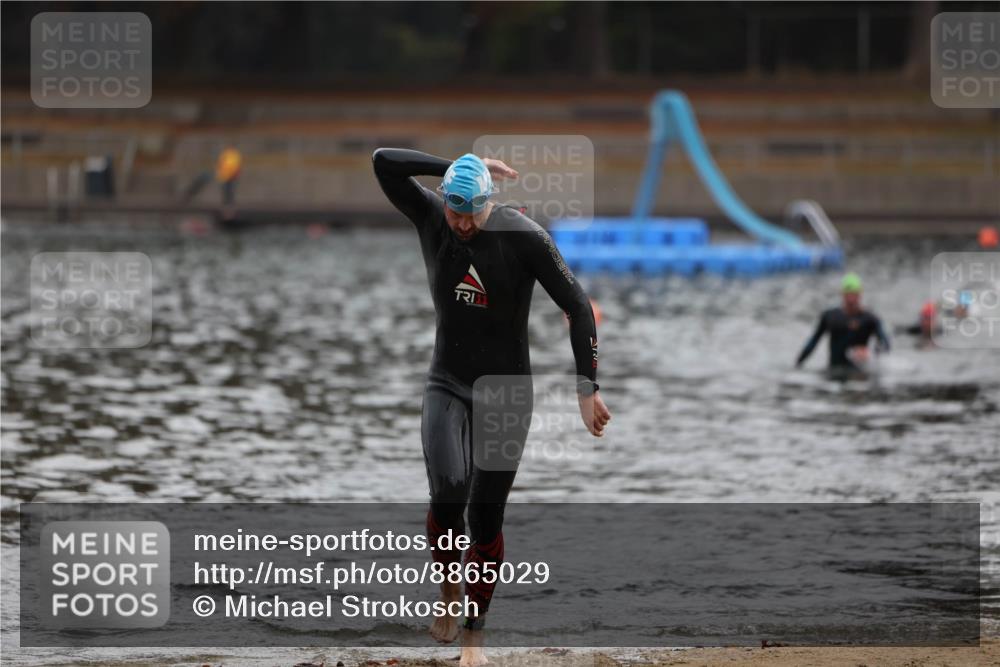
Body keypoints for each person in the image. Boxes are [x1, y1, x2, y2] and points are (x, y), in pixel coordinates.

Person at [372, 148, 611, 666]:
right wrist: (459, 163)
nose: (458, 223)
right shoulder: (434, 216)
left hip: (507, 392)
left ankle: (475, 639)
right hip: (446, 382)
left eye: (468, 213)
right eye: (452, 210)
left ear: (488, 203)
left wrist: (586, 387)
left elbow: (577, 305)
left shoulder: (522, 237)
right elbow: (383, 162)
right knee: (448, 491)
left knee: (484, 518)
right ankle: (449, 595)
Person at [795, 272, 890, 373]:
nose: (851, 298)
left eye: (854, 294)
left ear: (860, 295)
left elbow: (885, 345)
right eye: (848, 294)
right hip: (834, 371)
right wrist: (798, 364)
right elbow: (813, 342)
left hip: (860, 375)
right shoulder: (830, 316)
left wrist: (870, 352)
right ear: (842, 294)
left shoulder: (870, 319)